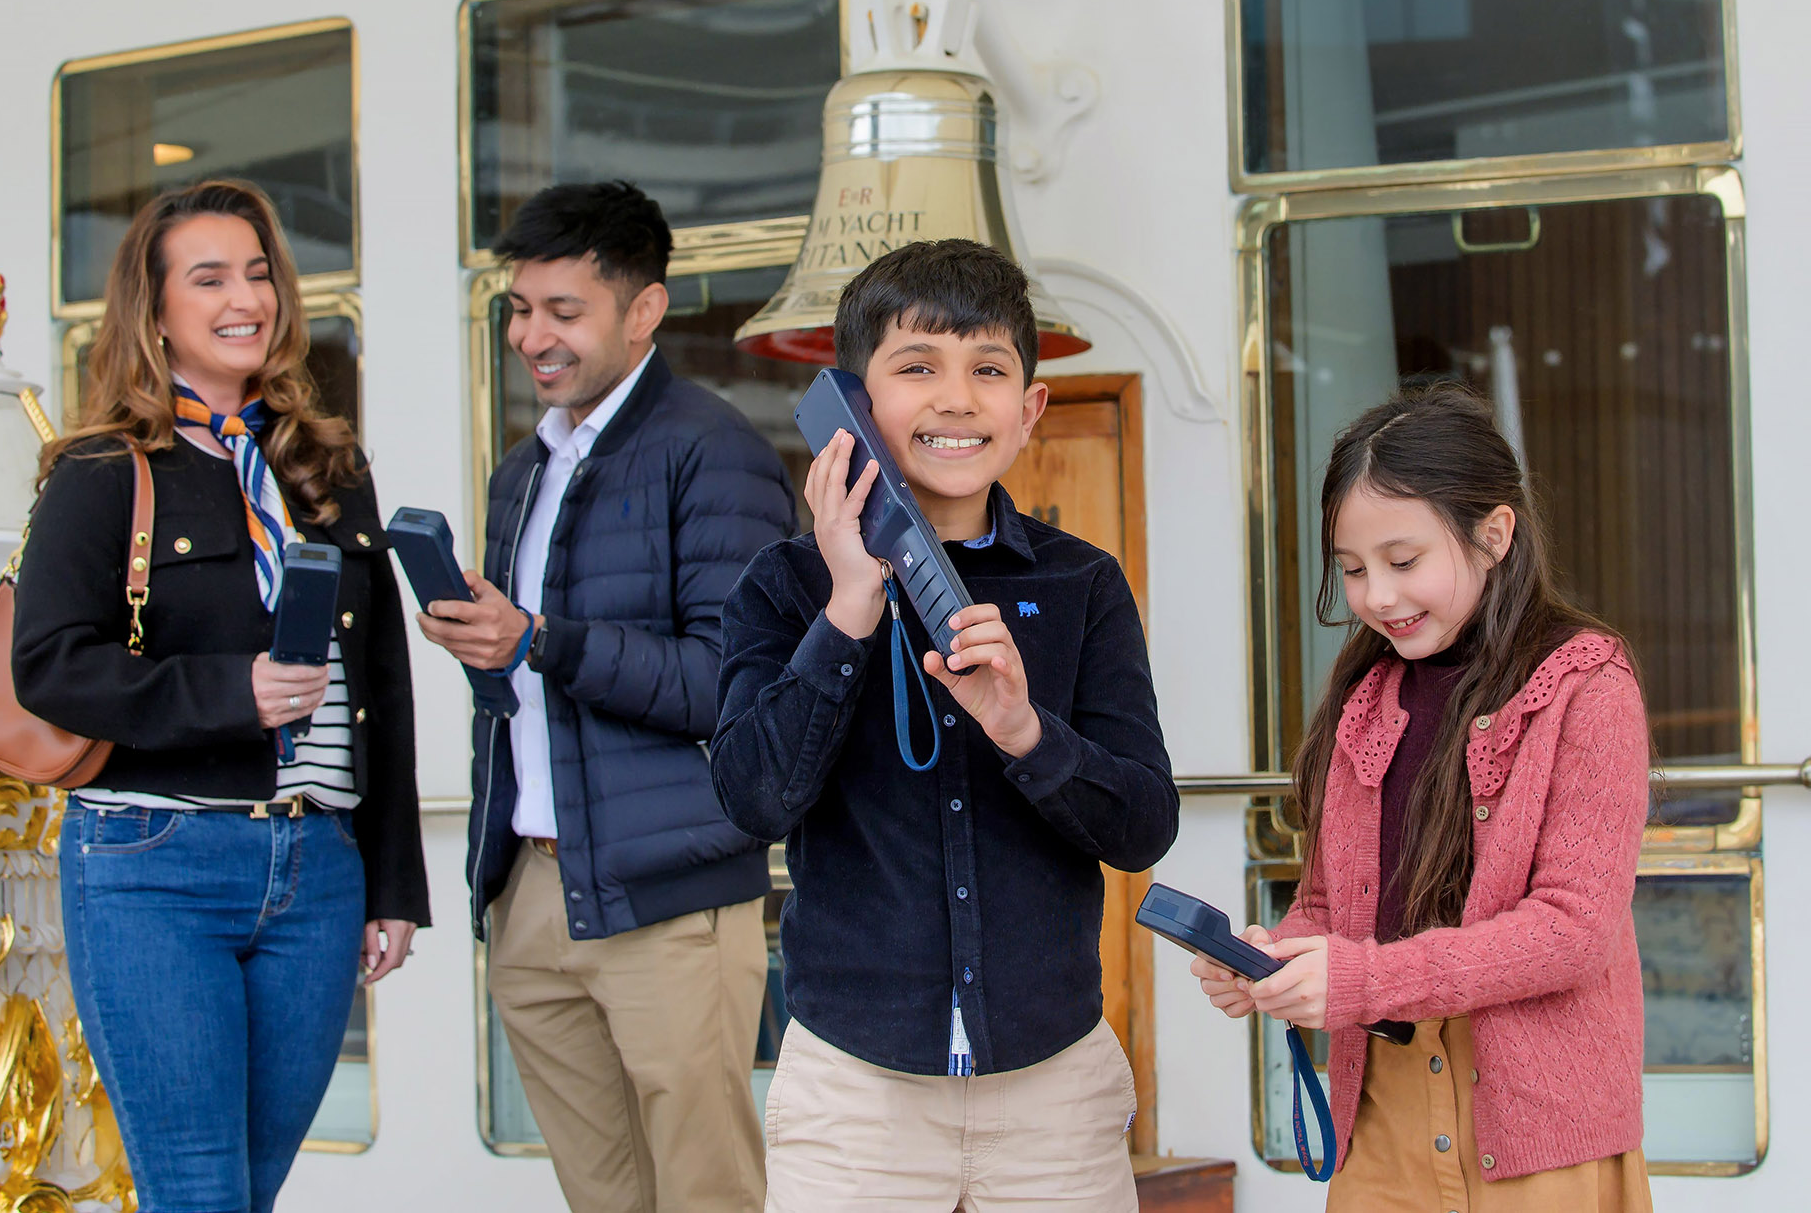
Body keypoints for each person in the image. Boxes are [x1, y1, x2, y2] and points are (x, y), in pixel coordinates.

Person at [711, 238, 1179, 1211]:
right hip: (853, 1090)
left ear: (1029, 409)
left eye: (988, 370)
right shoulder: (783, 585)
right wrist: (848, 605)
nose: (956, 399)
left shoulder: (1082, 582)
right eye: (916, 367)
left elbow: (1141, 824)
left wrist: (1023, 729)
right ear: (850, 402)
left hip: (1054, 1085)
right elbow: (754, 796)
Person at [12, 179, 427, 1213]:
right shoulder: (102, 470)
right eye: (209, 278)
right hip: (155, 865)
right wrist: (230, 690)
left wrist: (389, 881)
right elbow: (50, 664)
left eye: (258, 273)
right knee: (197, 1189)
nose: (246, 297)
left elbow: (380, 683)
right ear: (153, 312)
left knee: (250, 1183)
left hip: (316, 872)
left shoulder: (328, 466)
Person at [417, 180, 795, 1213]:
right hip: (533, 890)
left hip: (668, 897)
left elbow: (730, 683)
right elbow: (536, 680)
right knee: (602, 1196)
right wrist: (487, 647)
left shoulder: (714, 452)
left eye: (561, 311)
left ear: (643, 310)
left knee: (705, 1192)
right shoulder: (520, 471)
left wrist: (540, 638)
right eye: (518, 307)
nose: (530, 335)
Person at [1187, 385, 1653, 1210]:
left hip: (1540, 1121)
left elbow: (1573, 930)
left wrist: (1360, 978)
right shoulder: (1365, 694)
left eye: (1404, 562)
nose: (1378, 597)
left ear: (1495, 533)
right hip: (1383, 1111)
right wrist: (1276, 958)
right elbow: (1333, 903)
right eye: (1354, 569)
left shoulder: (1589, 681)